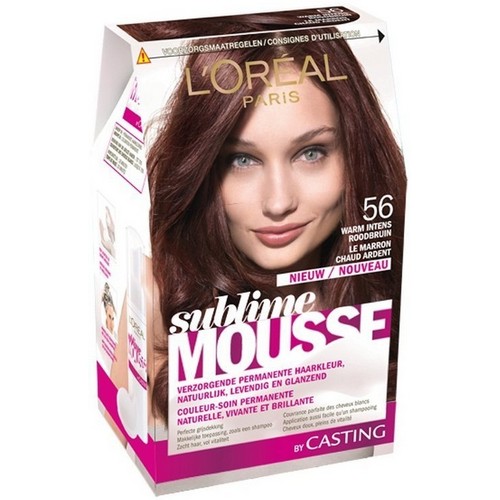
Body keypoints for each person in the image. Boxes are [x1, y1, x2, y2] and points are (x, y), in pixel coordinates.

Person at [123, 18, 406, 426]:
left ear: (356, 155)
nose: (278, 202)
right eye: (242, 159)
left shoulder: (399, 286)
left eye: (311, 153)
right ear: (201, 167)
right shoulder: (154, 298)